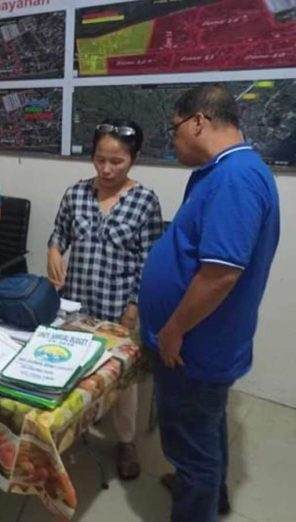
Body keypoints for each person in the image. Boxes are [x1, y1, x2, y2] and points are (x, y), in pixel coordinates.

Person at [139, 84, 280, 521]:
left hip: (194, 345)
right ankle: (207, 491)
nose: (173, 138)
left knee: (192, 445)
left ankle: (197, 492)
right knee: (207, 426)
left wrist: (174, 330)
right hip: (201, 344)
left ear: (198, 120)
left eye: (175, 128)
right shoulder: (220, 171)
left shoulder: (236, 178)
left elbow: (220, 274)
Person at [47, 118, 163, 480]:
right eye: (100, 159)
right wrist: (53, 249)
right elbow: (59, 232)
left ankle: (125, 440)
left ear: (134, 159)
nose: (107, 169)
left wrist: (133, 307)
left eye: (117, 162)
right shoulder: (76, 193)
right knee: (76, 368)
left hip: (118, 305)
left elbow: (150, 261)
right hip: (76, 302)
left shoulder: (144, 201)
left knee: (122, 380)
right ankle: (73, 427)